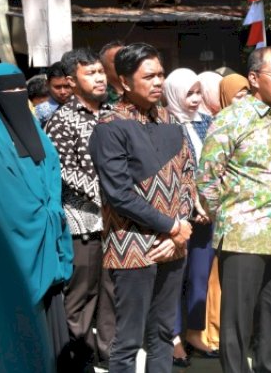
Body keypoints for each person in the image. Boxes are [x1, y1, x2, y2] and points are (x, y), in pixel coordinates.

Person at [88, 43, 196, 373]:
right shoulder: (109, 126)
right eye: (148, 76)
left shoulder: (170, 121)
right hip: (132, 246)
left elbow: (189, 176)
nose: (158, 82)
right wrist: (172, 226)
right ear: (123, 81)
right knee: (128, 338)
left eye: (161, 75)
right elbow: (119, 194)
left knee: (164, 332)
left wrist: (182, 227)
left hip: (174, 244)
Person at [198, 47, 271, 373]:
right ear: (254, 78)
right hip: (243, 237)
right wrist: (229, 217)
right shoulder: (231, 119)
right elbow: (207, 179)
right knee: (237, 323)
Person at [0, 63, 74, 370]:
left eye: (20, 90)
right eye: (8, 92)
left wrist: (50, 215)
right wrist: (38, 218)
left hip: (46, 245)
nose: (16, 97)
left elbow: (51, 175)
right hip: (13, 252)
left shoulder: (37, 132)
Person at [44, 49, 115, 371]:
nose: (100, 78)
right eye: (91, 73)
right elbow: (59, 170)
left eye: (101, 72)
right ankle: (78, 360)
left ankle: (109, 354)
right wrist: (102, 193)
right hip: (82, 221)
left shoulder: (110, 113)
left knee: (111, 295)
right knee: (81, 297)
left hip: (114, 221)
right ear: (72, 81)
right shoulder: (62, 119)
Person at [162, 68, 217, 367]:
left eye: (199, 92)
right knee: (175, 277)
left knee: (199, 276)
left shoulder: (208, 122)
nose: (196, 99)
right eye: (189, 93)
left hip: (209, 213)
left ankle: (194, 331)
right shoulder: (163, 122)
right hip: (178, 214)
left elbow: (217, 164)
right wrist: (194, 203)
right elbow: (173, 171)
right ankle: (173, 338)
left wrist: (209, 204)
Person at [36, 61, 73, 126]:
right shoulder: (40, 112)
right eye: (57, 87)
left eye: (67, 86)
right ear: (47, 84)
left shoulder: (85, 106)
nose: (63, 92)